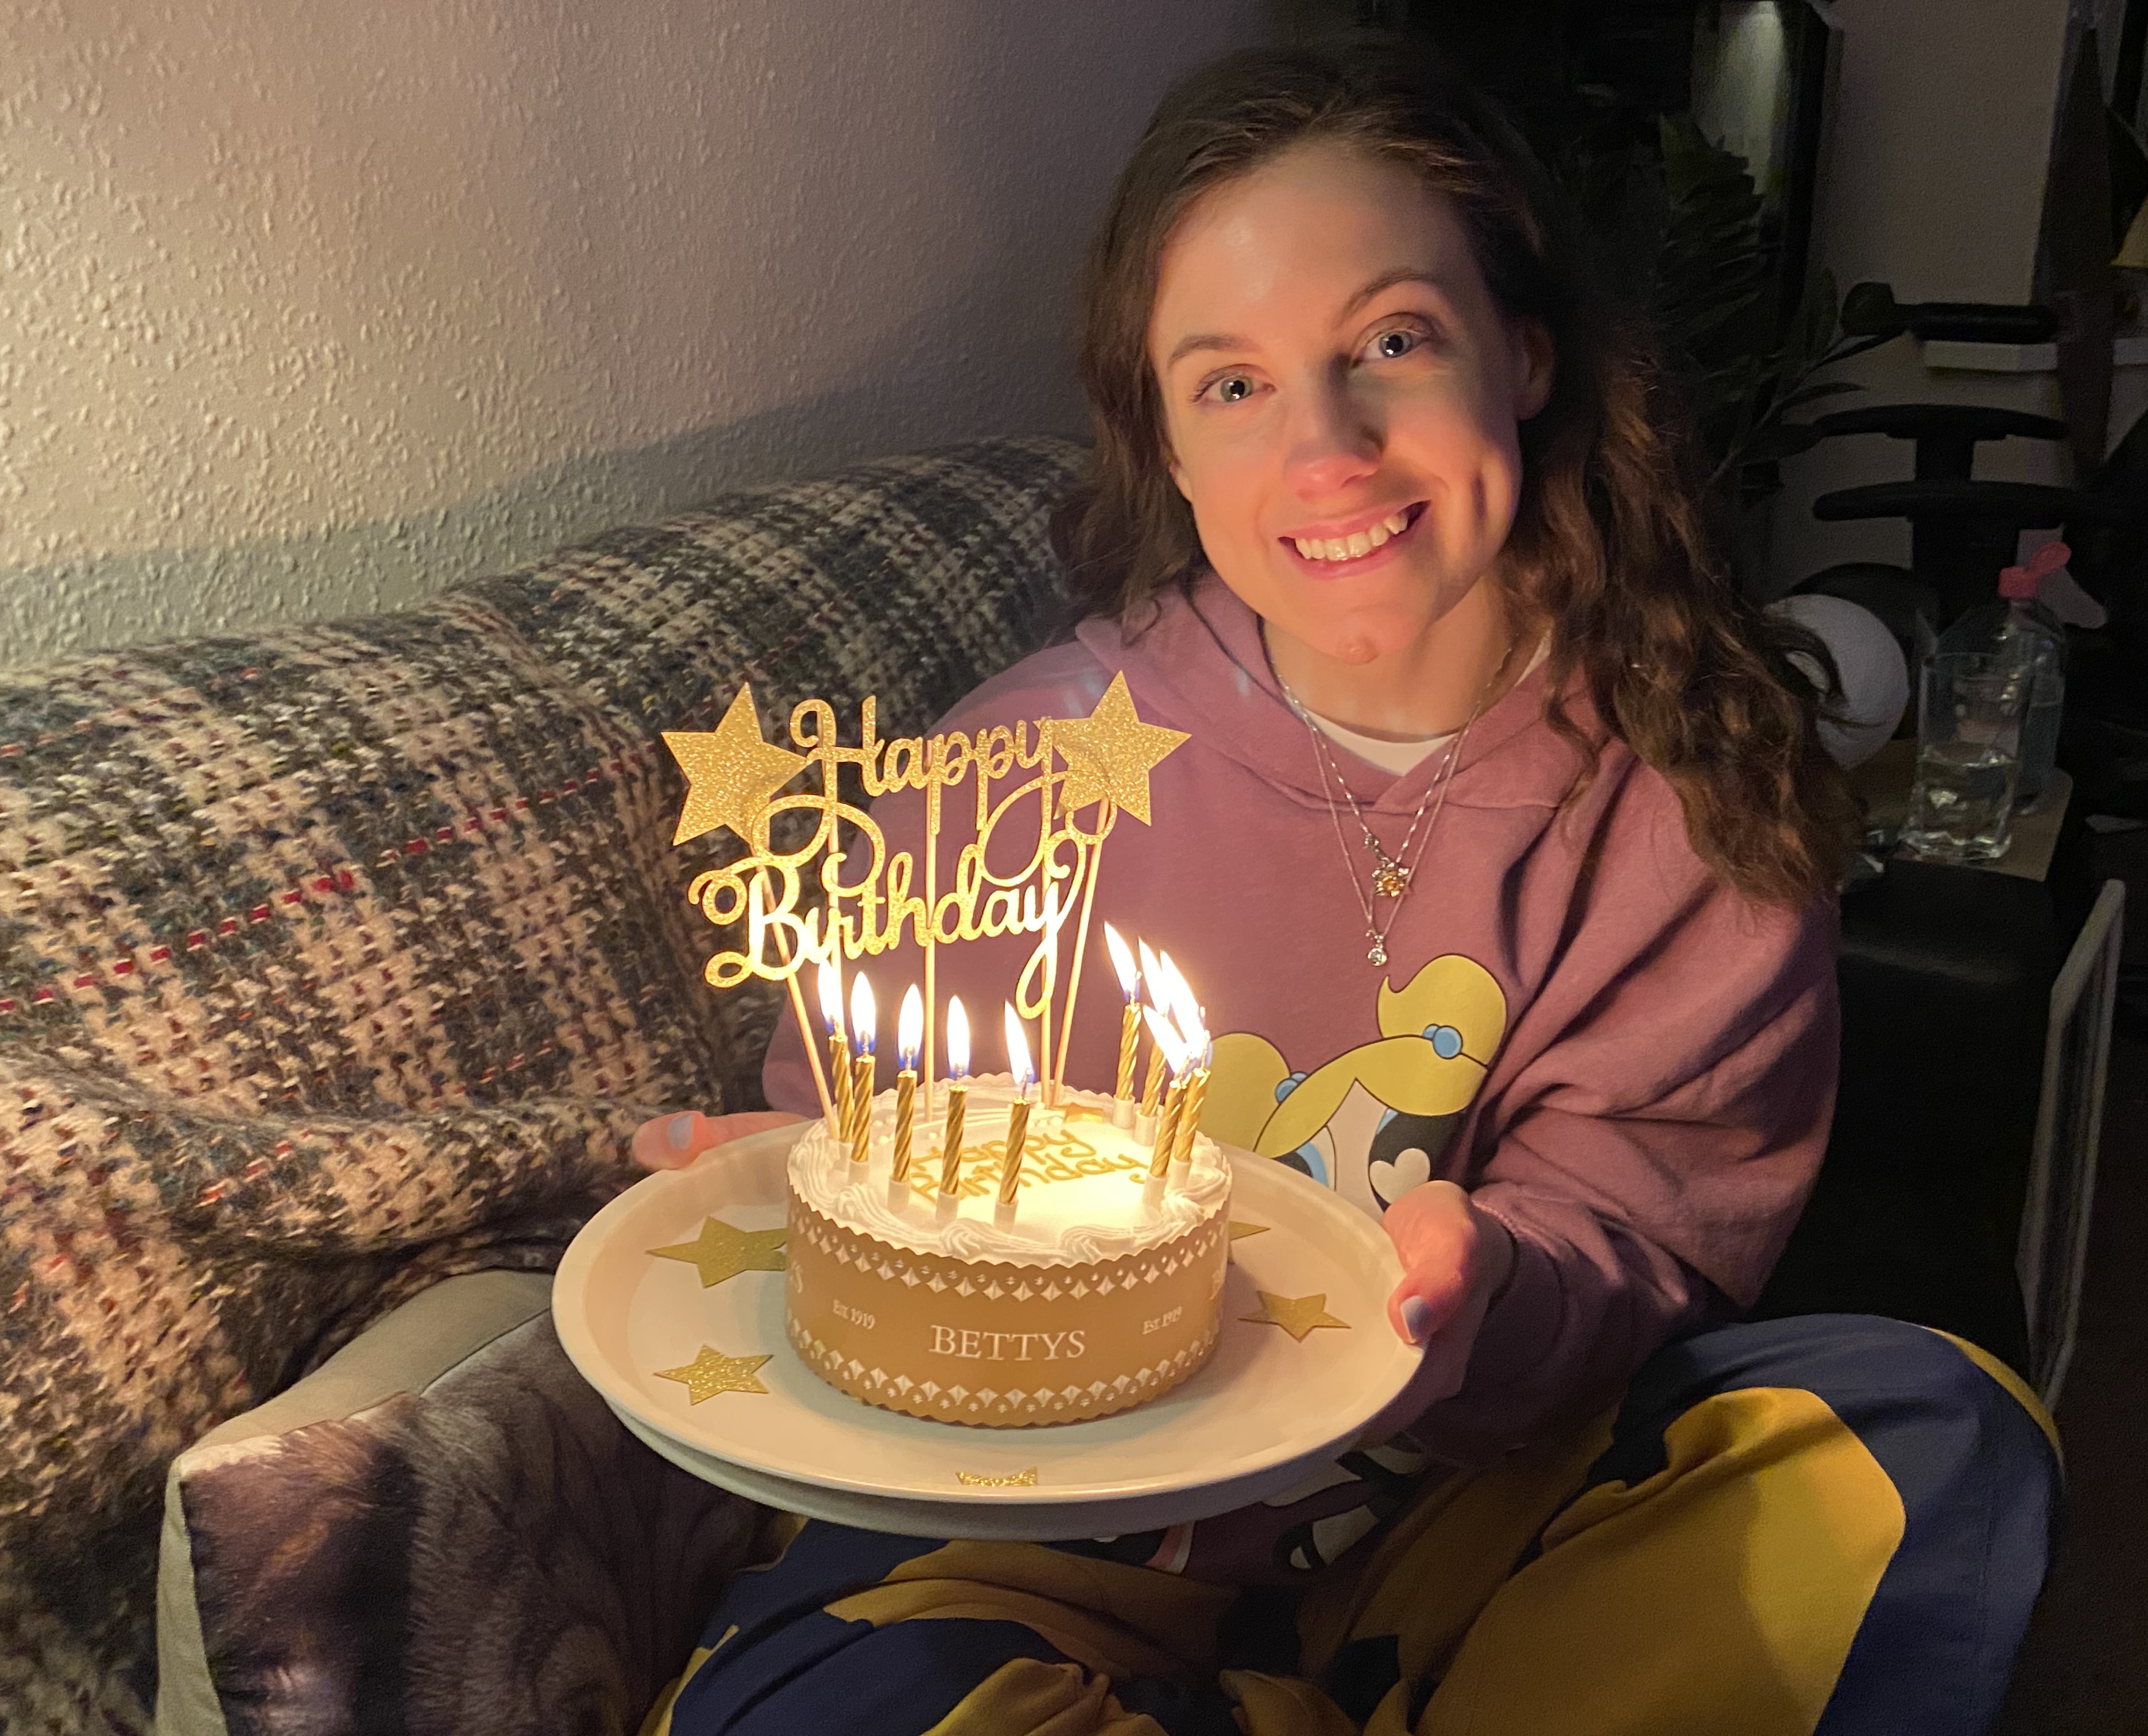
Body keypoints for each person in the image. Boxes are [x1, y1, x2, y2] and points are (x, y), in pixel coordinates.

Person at [628, 33, 2060, 1735]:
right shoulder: (1014, 770)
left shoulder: (1691, 813)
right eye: (1231, 383)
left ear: (1522, 354)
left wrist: (1494, 1292)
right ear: (1161, 443)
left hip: (1461, 1523)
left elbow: (1636, 1245)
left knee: (1929, 1441)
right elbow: (861, 1140)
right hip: (1022, 1536)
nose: (1327, 450)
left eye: (1391, 340)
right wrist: (790, 1197)